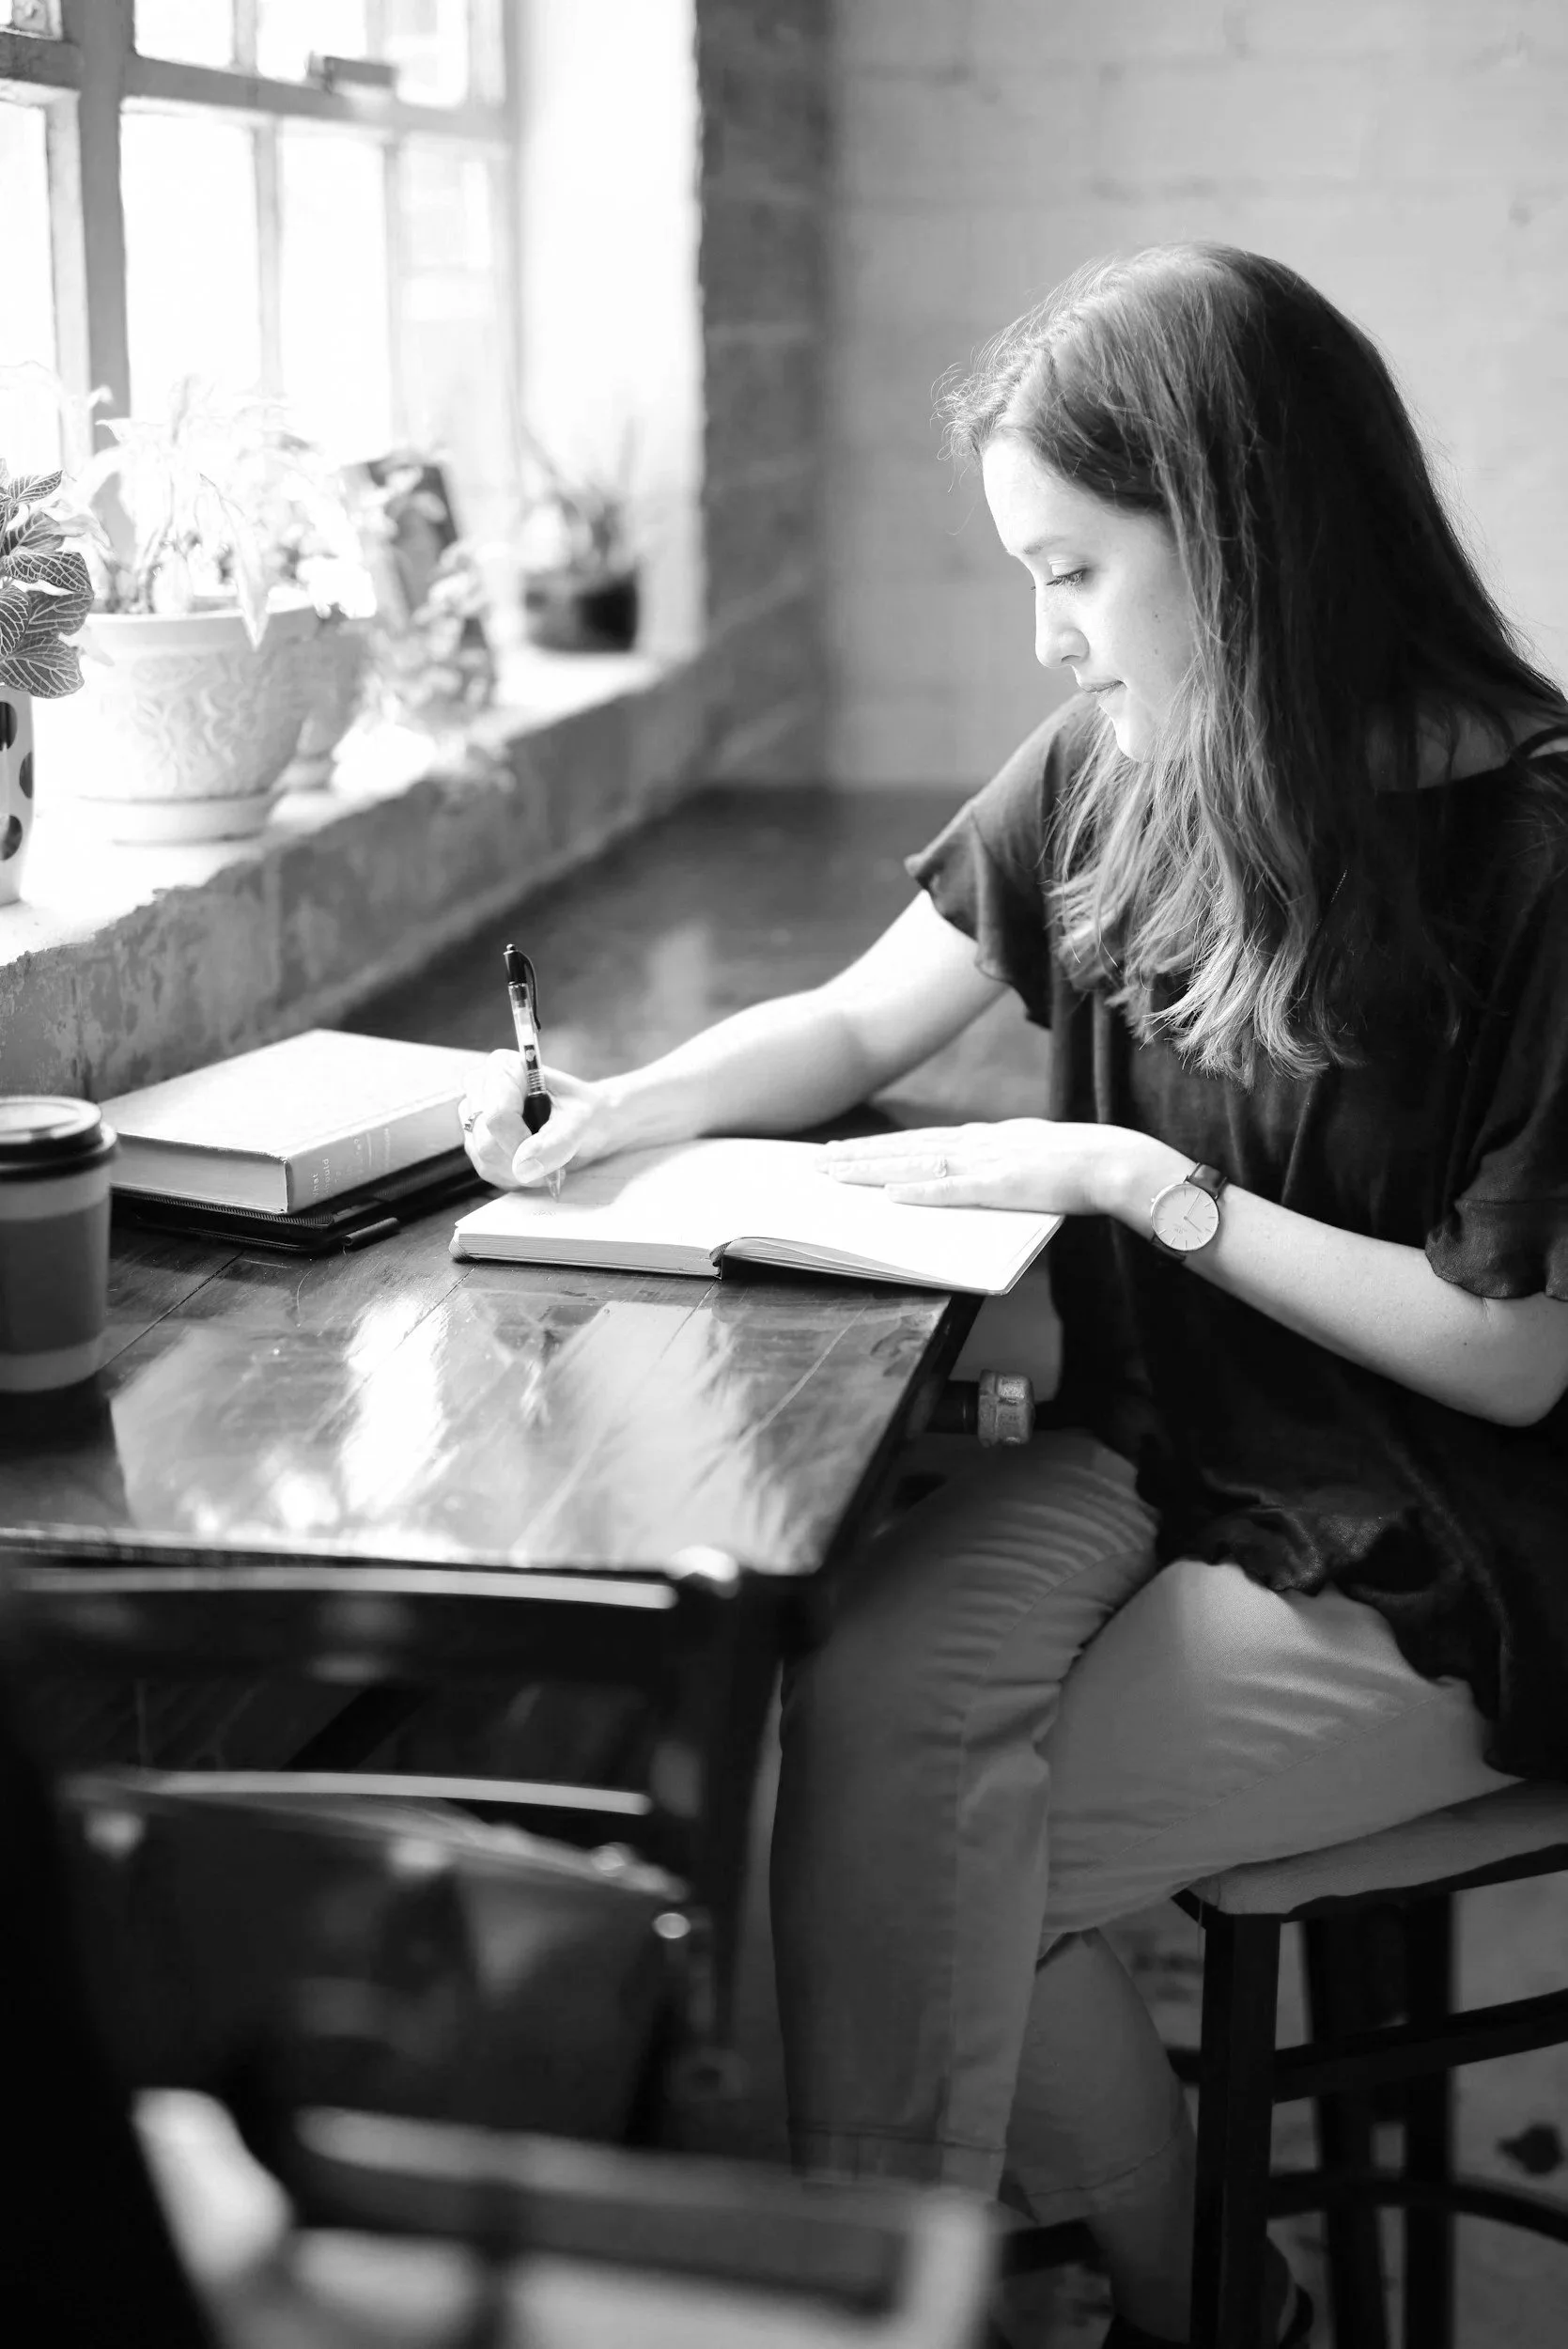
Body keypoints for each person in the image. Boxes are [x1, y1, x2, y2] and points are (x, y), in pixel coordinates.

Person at [459, 243, 1568, 2347]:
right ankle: (1116, 2295)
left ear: (1243, 544)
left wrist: (1141, 1184)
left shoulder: (1540, 854)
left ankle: (1055, 2305)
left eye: (1072, 571)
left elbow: (1515, 1361)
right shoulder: (1120, 763)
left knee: (952, 1868)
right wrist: (615, 1107)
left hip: (1460, 1532)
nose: (1047, 636)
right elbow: (851, 1021)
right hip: (1170, 1445)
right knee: (866, 1720)